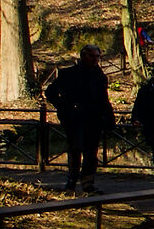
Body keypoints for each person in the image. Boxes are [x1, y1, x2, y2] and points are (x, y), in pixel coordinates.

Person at [44, 46, 116, 195]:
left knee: (91, 153)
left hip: (94, 119)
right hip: (74, 119)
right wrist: (64, 107)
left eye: (97, 56)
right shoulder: (68, 74)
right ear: (83, 56)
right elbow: (50, 92)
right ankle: (71, 182)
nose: (95, 59)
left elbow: (104, 99)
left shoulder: (100, 76)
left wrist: (109, 117)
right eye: (92, 56)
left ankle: (88, 183)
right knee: (75, 149)